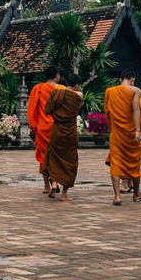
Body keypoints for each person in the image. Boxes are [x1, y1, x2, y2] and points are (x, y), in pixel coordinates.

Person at [104, 69, 141, 205]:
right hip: (131, 133)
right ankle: (136, 194)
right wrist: (138, 131)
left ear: (121, 79)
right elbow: (135, 109)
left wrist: (112, 127)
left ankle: (117, 196)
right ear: (132, 79)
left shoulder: (110, 91)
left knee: (115, 162)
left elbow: (107, 112)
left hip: (116, 133)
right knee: (135, 162)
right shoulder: (135, 91)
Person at [43, 73, 84, 202]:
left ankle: (54, 184)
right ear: (77, 85)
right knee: (70, 161)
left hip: (57, 130)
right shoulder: (79, 95)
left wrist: (57, 114)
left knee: (54, 157)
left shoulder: (57, 93)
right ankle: (64, 194)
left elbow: (47, 110)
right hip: (70, 132)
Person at [28, 66, 61, 194]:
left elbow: (31, 110)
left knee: (44, 157)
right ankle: (55, 182)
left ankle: (47, 185)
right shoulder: (61, 89)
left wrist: (34, 125)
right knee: (56, 156)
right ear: (57, 76)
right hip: (57, 127)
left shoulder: (38, 89)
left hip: (42, 127)